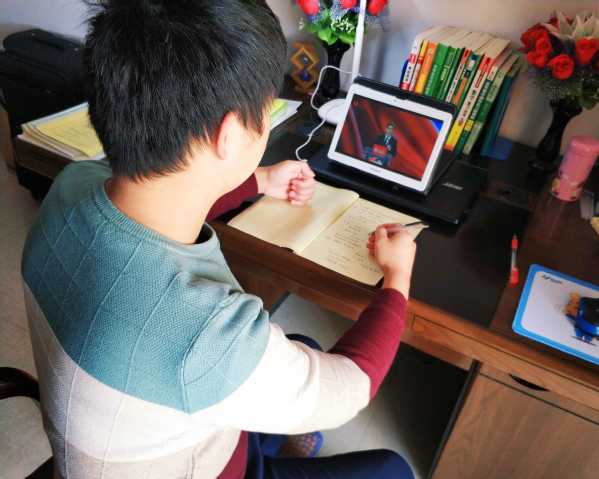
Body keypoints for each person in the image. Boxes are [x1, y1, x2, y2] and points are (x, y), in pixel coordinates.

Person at [21, 1, 417, 478]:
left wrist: (261, 181)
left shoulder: (73, 184)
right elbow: (350, 389)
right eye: (266, 112)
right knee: (391, 467)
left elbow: (152, 206)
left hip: (128, 422)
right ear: (228, 134)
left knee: (302, 343)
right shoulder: (206, 334)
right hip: (208, 466)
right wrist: (397, 279)